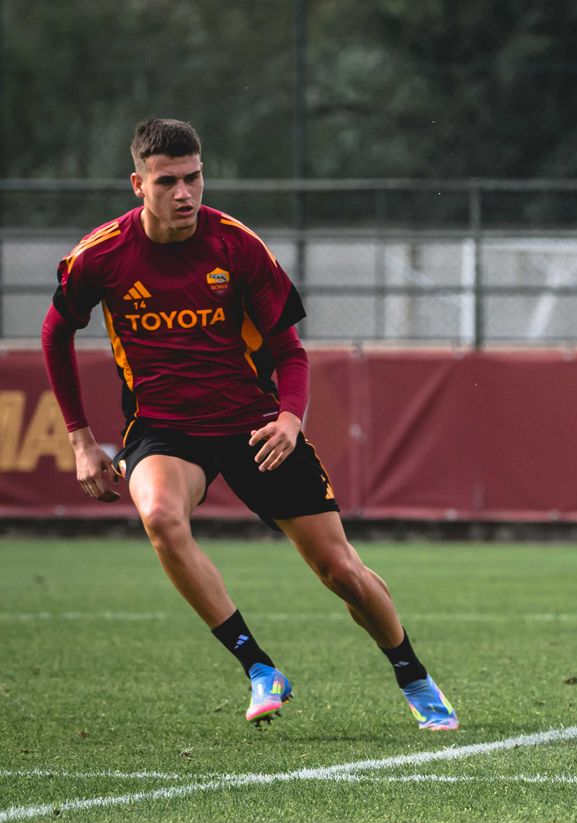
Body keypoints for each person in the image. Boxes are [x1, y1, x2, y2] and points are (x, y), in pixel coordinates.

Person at [40, 118, 458, 731]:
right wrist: (81, 441)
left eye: (194, 177)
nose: (185, 193)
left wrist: (290, 419)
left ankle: (412, 674)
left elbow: (291, 352)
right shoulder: (100, 255)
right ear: (138, 184)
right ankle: (259, 667)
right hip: (164, 431)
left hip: (256, 426)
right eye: (168, 182)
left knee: (340, 571)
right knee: (159, 516)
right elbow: (55, 334)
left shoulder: (237, 245)